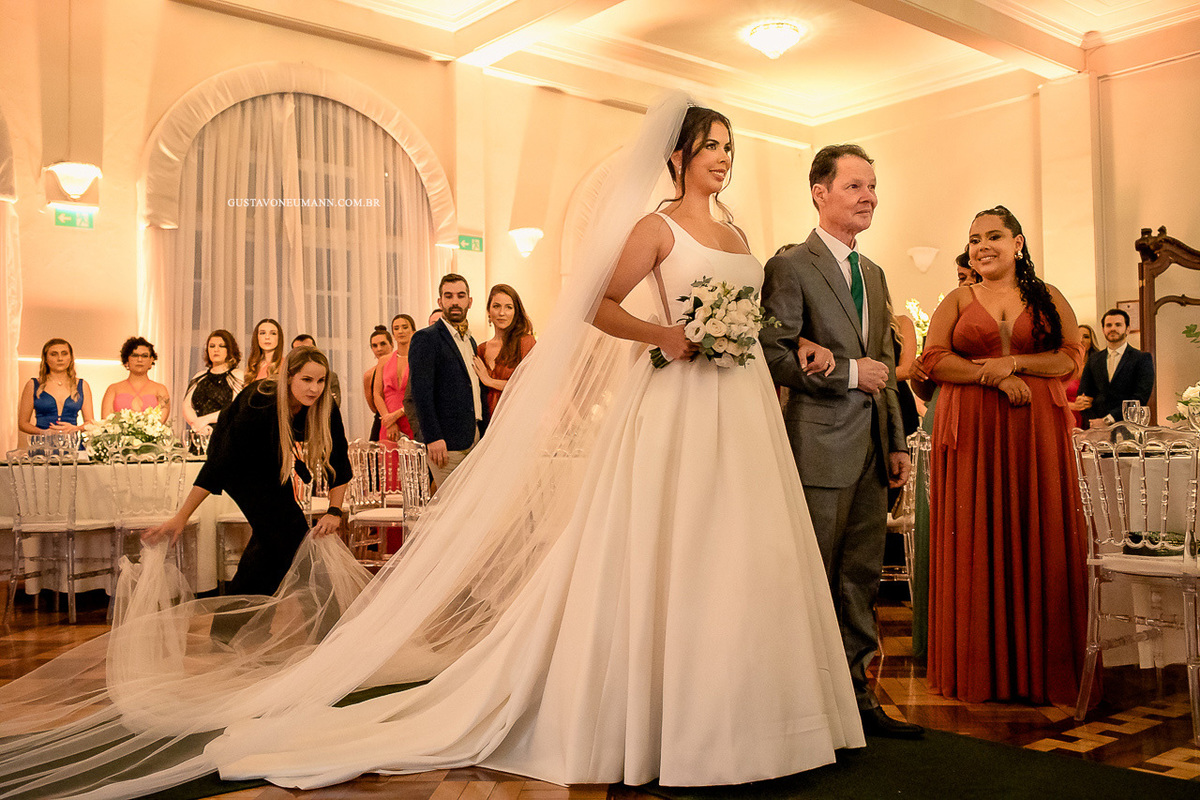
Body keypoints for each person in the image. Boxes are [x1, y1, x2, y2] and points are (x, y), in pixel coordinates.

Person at [0, 95, 861, 799]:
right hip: (677, 405)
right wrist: (664, 337)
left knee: (744, 553)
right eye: (709, 145)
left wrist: (757, 346)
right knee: (675, 550)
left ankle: (760, 712)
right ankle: (667, 715)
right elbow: (596, 307)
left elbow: (753, 321)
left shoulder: (743, 239)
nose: (722, 157)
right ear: (675, 156)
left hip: (739, 406)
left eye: (729, 147)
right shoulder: (657, 229)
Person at [761, 144, 919, 739]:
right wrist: (850, 373)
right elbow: (773, 352)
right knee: (813, 575)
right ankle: (804, 705)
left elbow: (885, 361)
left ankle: (858, 699)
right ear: (819, 193)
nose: (868, 196)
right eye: (854, 186)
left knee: (860, 578)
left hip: (874, 448)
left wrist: (897, 438)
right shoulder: (791, 266)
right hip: (818, 446)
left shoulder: (873, 273)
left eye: (873, 186)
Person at [920, 205, 1091, 706]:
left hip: (1035, 430)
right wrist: (992, 376)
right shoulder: (957, 298)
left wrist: (1014, 361)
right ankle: (980, 668)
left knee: (1036, 529)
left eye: (993, 236)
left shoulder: (1048, 296)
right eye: (974, 239)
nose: (982, 246)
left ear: (1018, 243)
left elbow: (1068, 355)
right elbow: (933, 359)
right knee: (979, 531)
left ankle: (1042, 668)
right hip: (972, 428)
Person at [146, 346, 351, 599]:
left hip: (272, 464)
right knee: (294, 541)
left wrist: (334, 511)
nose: (314, 388)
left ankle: (232, 627)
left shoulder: (324, 405)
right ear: (289, 377)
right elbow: (221, 462)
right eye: (306, 380)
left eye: (321, 381)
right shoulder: (261, 400)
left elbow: (339, 459)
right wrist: (181, 516)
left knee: (271, 547)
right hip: (239, 468)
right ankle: (327, 627)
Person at [408, 276, 487, 487]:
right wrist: (433, 437)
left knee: (471, 507)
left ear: (469, 301)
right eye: (448, 296)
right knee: (450, 509)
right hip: (446, 443)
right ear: (439, 301)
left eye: (460, 296)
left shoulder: (470, 340)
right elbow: (421, 393)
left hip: (474, 438)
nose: (455, 301)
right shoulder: (426, 338)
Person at [1076, 308, 1154, 427]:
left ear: (1127, 329)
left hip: (1127, 427)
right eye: (1108, 325)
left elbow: (1140, 398)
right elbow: (1083, 396)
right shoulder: (1094, 359)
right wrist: (1094, 423)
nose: (1113, 328)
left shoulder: (1142, 358)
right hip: (1095, 428)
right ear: (1103, 330)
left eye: (1118, 325)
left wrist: (1107, 421)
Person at [474, 284, 536, 419]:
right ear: (489, 311)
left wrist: (489, 381)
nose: (502, 313)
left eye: (508, 307)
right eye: (496, 306)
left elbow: (529, 386)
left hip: (517, 419)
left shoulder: (526, 342)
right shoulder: (480, 349)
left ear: (516, 312)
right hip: (487, 422)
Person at [17, 338, 94, 437]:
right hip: (43, 446)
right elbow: (23, 424)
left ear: (71, 357)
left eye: (64, 353)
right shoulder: (33, 384)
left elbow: (90, 422)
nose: (60, 358)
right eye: (54, 354)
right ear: (45, 358)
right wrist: (43, 432)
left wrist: (76, 428)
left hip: (72, 446)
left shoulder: (82, 385)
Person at [183, 329, 245, 436]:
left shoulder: (237, 375)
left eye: (221, 346)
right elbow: (187, 406)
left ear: (229, 350)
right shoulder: (199, 376)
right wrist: (198, 424)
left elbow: (235, 408)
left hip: (225, 435)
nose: (216, 349)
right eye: (212, 346)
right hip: (200, 433)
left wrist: (205, 420)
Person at [100, 337, 171, 420]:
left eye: (144, 356)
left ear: (151, 360)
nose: (139, 359)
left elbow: (161, 420)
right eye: (135, 355)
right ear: (127, 360)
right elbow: (106, 420)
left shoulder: (161, 389)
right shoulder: (113, 389)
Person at [375, 314, 416, 441]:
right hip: (388, 424)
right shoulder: (383, 360)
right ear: (393, 333)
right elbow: (376, 394)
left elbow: (420, 393)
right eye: (396, 328)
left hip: (412, 419)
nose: (401, 331)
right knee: (388, 459)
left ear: (413, 331)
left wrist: (397, 415)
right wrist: (389, 420)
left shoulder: (419, 360)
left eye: (404, 327)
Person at [291, 334, 342, 406]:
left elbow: (335, 405)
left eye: (308, 349)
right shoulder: (288, 376)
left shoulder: (331, 376)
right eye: (299, 350)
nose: (305, 354)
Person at [363, 325, 393, 441]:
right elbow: (373, 406)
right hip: (381, 420)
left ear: (392, 344)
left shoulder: (404, 366)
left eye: (383, 344)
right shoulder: (369, 375)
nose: (379, 349)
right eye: (374, 346)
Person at [1066, 324, 1099, 428]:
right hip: (1067, 415)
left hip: (1092, 417)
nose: (1081, 340)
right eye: (1078, 336)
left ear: (1091, 341)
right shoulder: (1063, 365)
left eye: (1086, 336)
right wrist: (1074, 406)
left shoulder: (1099, 365)